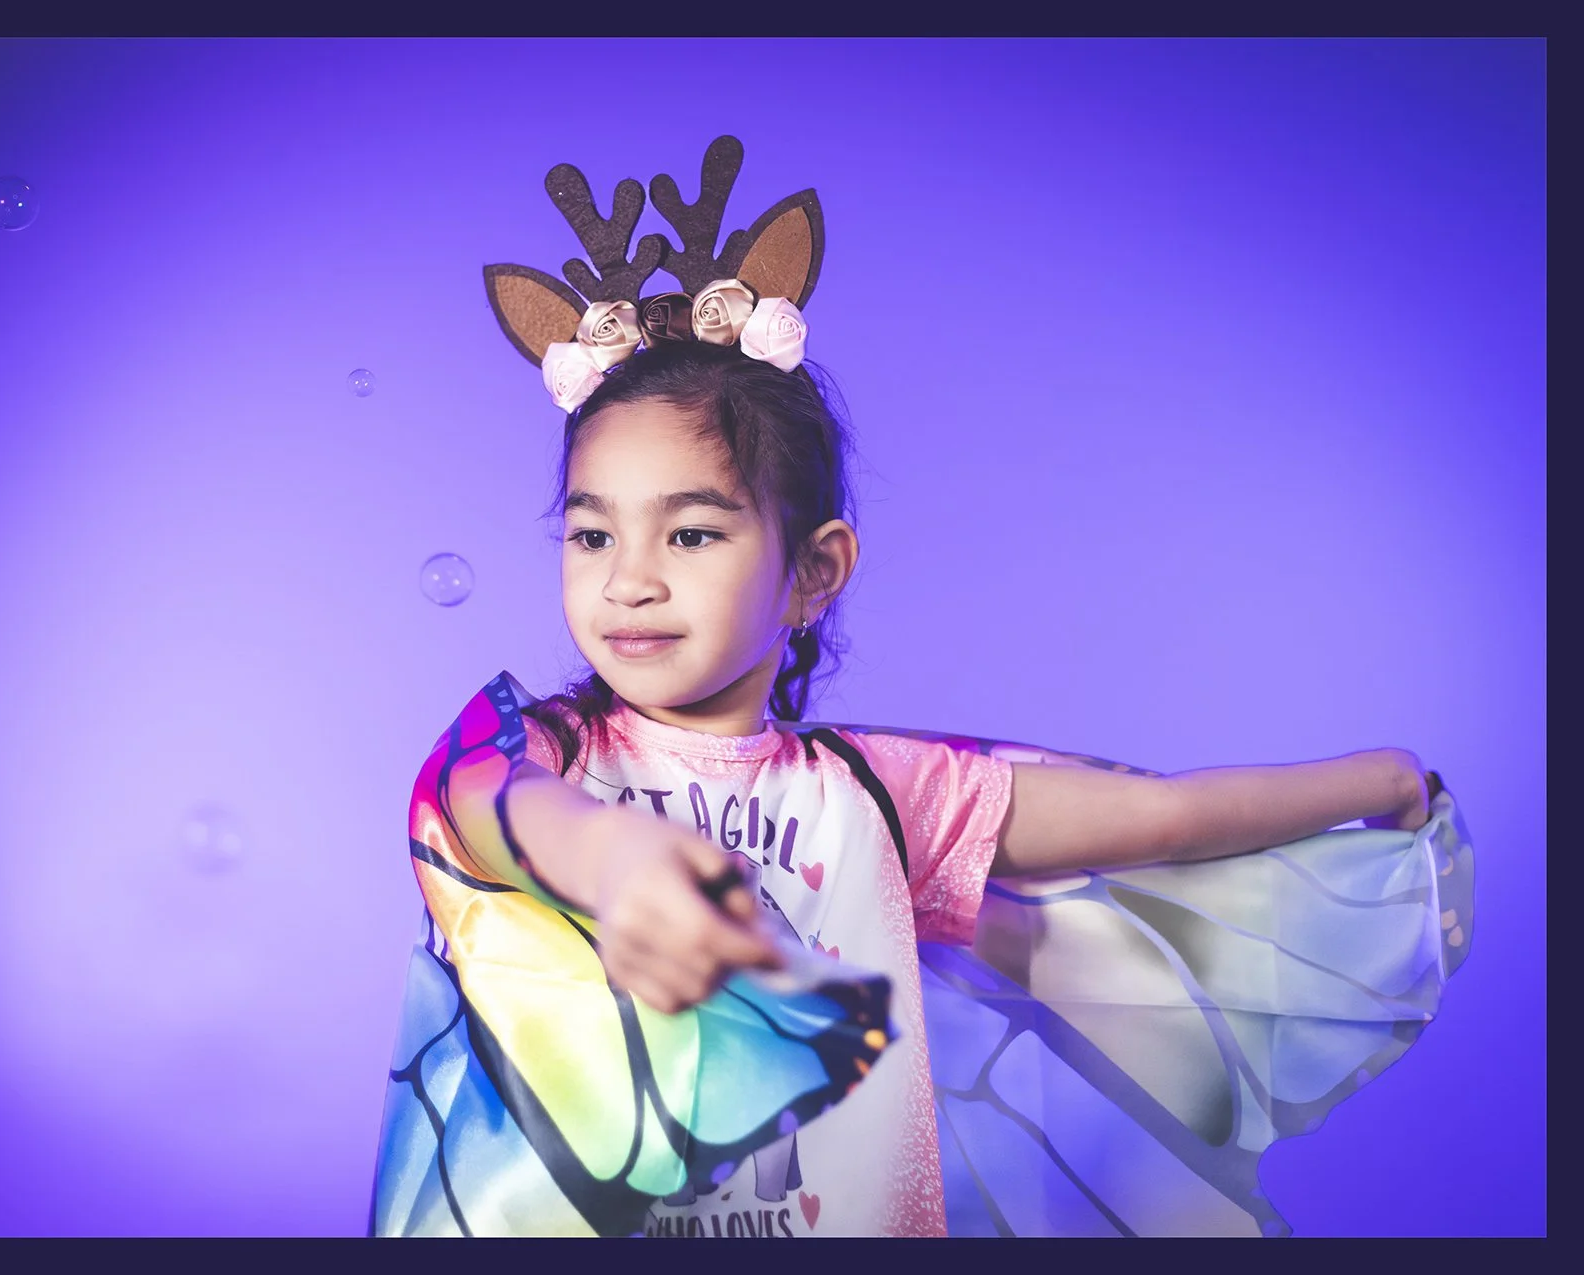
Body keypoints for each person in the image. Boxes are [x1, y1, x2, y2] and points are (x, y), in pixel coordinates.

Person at [369, 137, 1472, 1239]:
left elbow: (1163, 818)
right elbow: (501, 817)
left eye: (693, 531)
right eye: (592, 532)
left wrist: (1367, 778)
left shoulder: (880, 798)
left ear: (813, 573)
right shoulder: (534, 751)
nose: (631, 580)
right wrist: (619, 859)